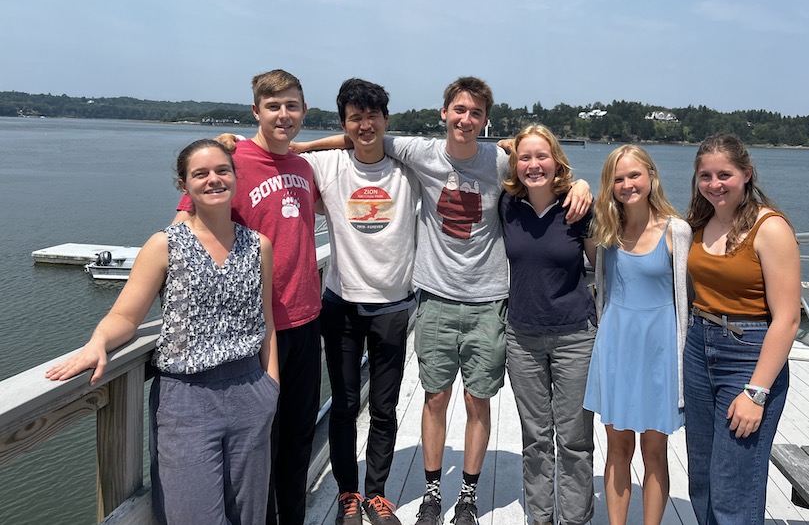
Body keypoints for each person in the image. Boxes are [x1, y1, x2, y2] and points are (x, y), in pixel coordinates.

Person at [299, 77, 591, 525]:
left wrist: (581, 184)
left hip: (489, 301)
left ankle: (469, 496)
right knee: (434, 397)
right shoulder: (420, 152)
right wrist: (300, 150)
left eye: (475, 113)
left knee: (479, 401)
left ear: (485, 120)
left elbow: (541, 171)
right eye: (459, 110)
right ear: (444, 113)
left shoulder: (500, 159)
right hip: (434, 297)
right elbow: (360, 132)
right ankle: (433, 492)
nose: (466, 119)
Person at [46, 139, 279, 525]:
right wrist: (98, 342)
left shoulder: (259, 245)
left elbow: (266, 323)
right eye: (200, 174)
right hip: (185, 400)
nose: (213, 180)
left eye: (222, 170)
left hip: (250, 391)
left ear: (236, 177)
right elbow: (125, 314)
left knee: (249, 516)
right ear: (183, 186)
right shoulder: (164, 244)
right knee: (193, 515)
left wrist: (271, 386)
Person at [177, 69, 321, 525]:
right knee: (256, 446)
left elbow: (354, 140)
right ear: (255, 111)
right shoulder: (230, 163)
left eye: (292, 105)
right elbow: (185, 235)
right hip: (253, 333)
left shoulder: (302, 166)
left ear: (303, 111)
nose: (284, 114)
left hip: (305, 321)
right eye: (273, 106)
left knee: (297, 441)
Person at [298, 79, 419, 525]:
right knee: (346, 404)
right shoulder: (328, 165)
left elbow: (459, 157)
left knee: (384, 408)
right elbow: (273, 159)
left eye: (372, 117)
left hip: (392, 303)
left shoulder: (409, 168)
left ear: (386, 120)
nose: (365, 125)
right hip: (341, 303)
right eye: (355, 118)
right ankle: (348, 493)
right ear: (344, 124)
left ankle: (378, 493)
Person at [683, 134, 800, 525]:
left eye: (725, 174)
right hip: (699, 346)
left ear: (746, 174)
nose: (715, 184)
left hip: (747, 354)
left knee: (735, 483)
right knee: (702, 477)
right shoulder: (699, 222)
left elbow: (787, 318)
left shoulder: (770, 227)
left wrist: (757, 391)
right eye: (706, 175)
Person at [582, 145, 691, 525]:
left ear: (651, 177)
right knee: (617, 447)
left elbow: (688, 297)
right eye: (618, 179)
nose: (627, 185)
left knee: (654, 450)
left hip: (659, 349)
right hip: (616, 345)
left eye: (634, 176)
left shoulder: (677, 230)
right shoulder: (604, 230)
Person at [499, 124, 596, 525]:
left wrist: (585, 184)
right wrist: (512, 144)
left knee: (574, 440)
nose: (534, 165)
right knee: (535, 439)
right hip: (522, 337)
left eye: (542, 156)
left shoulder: (578, 208)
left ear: (558, 162)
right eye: (525, 157)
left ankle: (575, 519)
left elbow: (606, 269)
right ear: (515, 164)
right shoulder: (506, 204)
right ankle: (539, 518)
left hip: (575, 335)